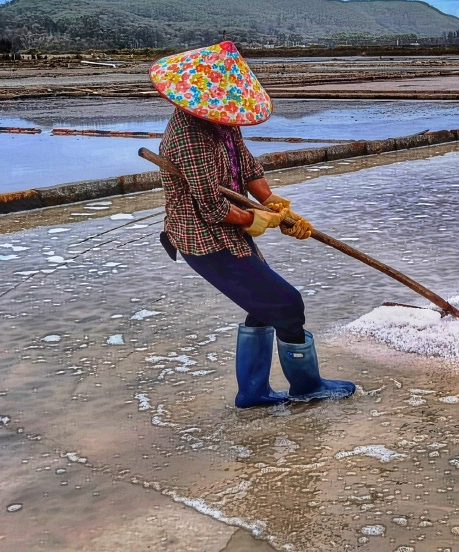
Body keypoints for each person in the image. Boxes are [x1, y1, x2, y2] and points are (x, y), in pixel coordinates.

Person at [149, 41, 355, 406]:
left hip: (227, 232)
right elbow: (212, 208)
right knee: (287, 305)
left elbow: (246, 166)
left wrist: (278, 208)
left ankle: (253, 393)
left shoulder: (222, 119)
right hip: (206, 240)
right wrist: (259, 220)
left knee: (265, 304)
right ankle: (306, 387)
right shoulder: (190, 136)